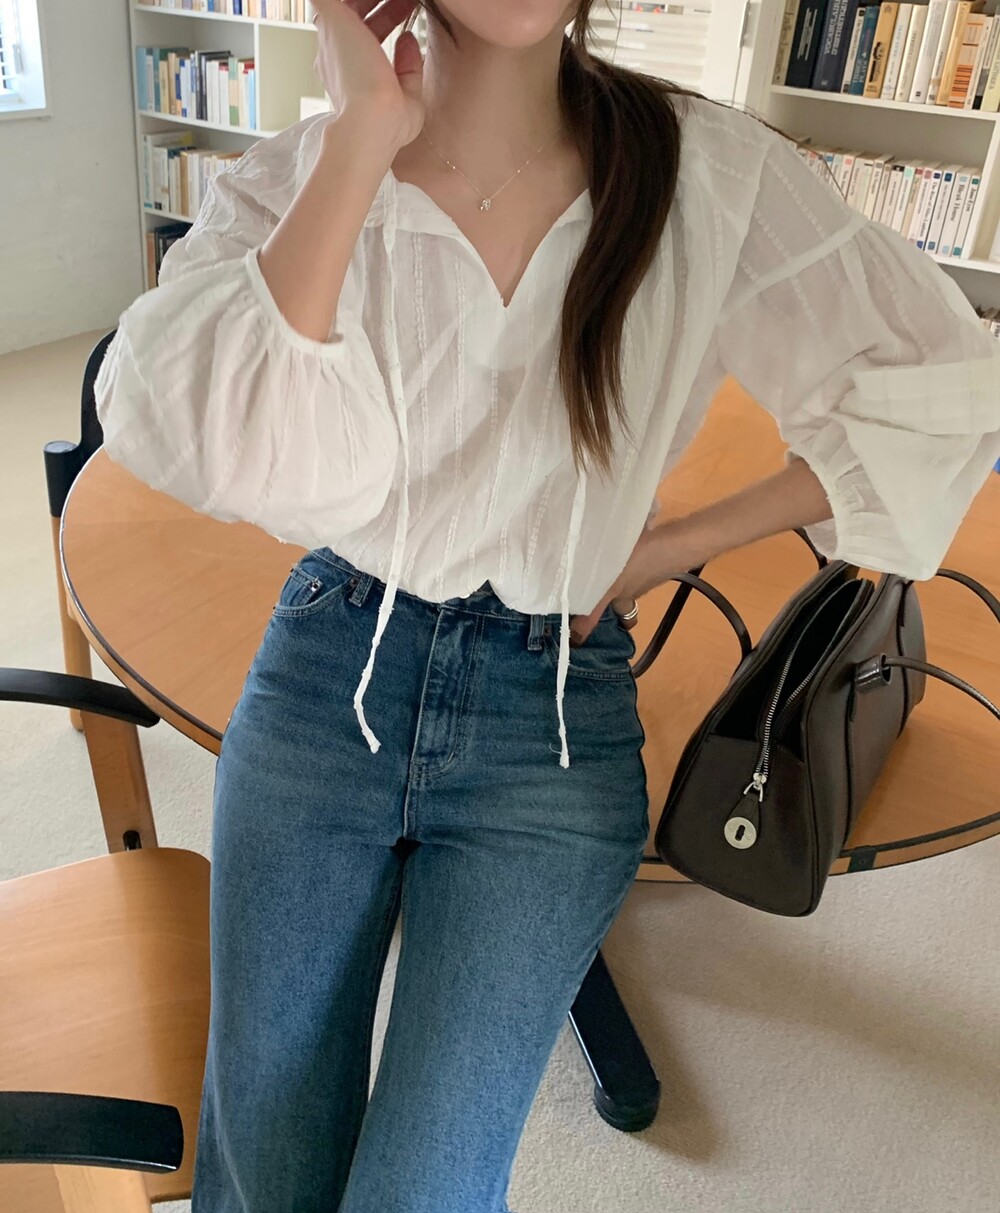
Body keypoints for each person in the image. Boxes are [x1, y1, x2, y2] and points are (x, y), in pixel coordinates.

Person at [94, 1, 1000, 1209]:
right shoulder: (301, 173)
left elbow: (943, 387)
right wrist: (359, 136)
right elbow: (193, 425)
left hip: (551, 720)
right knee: (265, 1158)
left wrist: (668, 545)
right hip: (331, 670)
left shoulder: (707, 174)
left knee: (425, 1187)